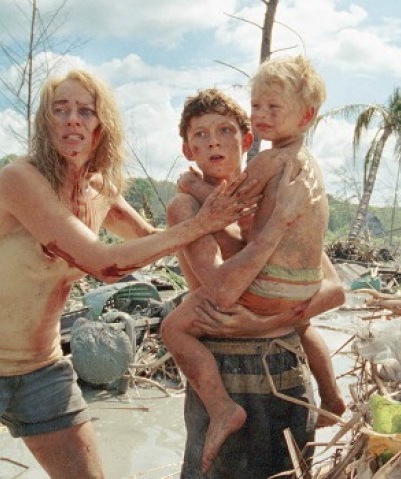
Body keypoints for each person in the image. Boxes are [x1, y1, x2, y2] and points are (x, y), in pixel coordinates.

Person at [0, 69, 264, 479]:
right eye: (60, 110)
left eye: (85, 111)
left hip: (41, 368)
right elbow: (103, 263)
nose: (72, 120)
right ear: (46, 123)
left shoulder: (99, 189)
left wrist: (202, 195)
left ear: (102, 125)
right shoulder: (21, 179)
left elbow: (153, 240)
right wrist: (200, 223)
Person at [161, 57, 346, 476]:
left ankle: (332, 396)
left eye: (225, 130)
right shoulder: (188, 208)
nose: (214, 143)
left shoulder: (282, 193)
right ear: (188, 149)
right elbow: (221, 289)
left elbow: (335, 291)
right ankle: (329, 396)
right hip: (225, 367)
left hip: (280, 370)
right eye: (201, 135)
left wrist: (263, 324)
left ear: (246, 140)